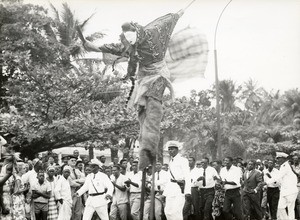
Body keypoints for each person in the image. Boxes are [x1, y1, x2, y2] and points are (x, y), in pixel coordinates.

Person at [81, 9, 185, 170]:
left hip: (158, 74)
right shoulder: (127, 45)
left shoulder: (153, 33)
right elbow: (107, 48)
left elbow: (168, 21)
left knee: (153, 109)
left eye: (131, 40)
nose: (130, 44)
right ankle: (144, 146)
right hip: (143, 76)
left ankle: (149, 148)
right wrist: (90, 46)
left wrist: (178, 14)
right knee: (141, 111)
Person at [163, 141, 191, 220]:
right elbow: (169, 179)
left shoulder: (183, 160)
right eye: (169, 149)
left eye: (172, 149)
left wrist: (187, 191)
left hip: (179, 188)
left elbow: (187, 176)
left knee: (176, 212)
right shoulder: (171, 162)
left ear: (177, 150)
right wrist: (165, 193)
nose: (170, 151)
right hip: (171, 188)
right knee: (168, 211)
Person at [266, 152, 298, 220]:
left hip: (290, 191)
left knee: (290, 209)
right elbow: (280, 180)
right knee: (280, 207)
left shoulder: (285, 166)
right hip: (284, 191)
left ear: (283, 159)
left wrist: (266, 182)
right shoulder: (282, 166)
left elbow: (277, 177)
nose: (277, 160)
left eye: (278, 158)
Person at [68, 155, 85, 220]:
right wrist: (79, 184)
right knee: (71, 209)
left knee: (78, 210)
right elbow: (70, 183)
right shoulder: (66, 169)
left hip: (78, 192)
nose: (74, 162)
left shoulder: (77, 170)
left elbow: (84, 180)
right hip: (70, 192)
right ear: (68, 162)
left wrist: (76, 180)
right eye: (72, 160)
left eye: (75, 160)